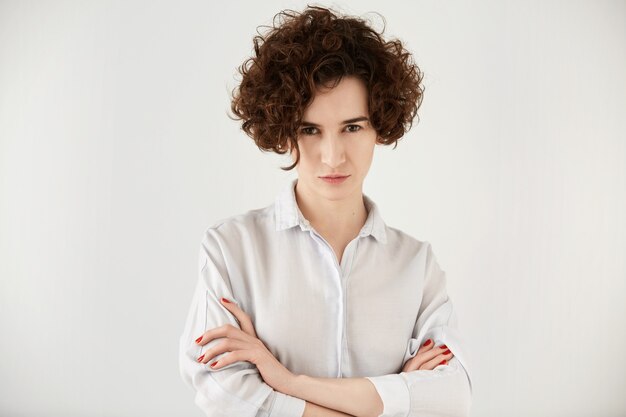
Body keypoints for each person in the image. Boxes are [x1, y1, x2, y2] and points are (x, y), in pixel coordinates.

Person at [179, 5, 473, 417]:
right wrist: (393, 398)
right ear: (282, 132)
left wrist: (285, 381)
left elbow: (452, 397)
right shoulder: (231, 250)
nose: (333, 156)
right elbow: (224, 396)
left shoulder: (416, 265)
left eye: (352, 127)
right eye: (309, 129)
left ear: (379, 128)